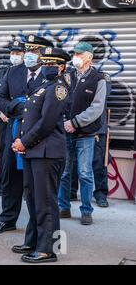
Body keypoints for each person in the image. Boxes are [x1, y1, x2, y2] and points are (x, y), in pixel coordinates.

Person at [0, 34, 52, 235]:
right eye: (28, 51)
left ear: (43, 53)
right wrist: (16, 106)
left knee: (35, 184)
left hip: (38, 138)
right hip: (12, 133)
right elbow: (0, 98)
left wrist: (24, 106)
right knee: (10, 178)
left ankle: (37, 228)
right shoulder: (13, 72)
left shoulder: (51, 74)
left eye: (34, 51)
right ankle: (7, 219)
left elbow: (51, 108)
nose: (29, 55)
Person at [11, 47, 71, 263]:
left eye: (50, 64)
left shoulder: (59, 88)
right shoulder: (45, 86)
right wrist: (21, 141)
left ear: (61, 66)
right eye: (44, 63)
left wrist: (23, 142)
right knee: (33, 197)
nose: (46, 67)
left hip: (47, 152)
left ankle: (49, 249)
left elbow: (46, 122)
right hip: (33, 150)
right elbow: (29, 116)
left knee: (46, 201)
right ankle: (34, 240)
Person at [58, 42, 107, 225]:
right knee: (64, 173)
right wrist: (64, 122)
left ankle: (86, 211)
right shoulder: (68, 76)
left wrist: (75, 122)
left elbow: (96, 108)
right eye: (75, 53)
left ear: (89, 57)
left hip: (85, 134)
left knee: (85, 173)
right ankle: (63, 207)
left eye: (79, 54)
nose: (75, 57)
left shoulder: (99, 78)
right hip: (66, 133)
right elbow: (60, 99)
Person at [69, 70, 112, 207]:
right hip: (74, 126)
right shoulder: (71, 76)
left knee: (98, 162)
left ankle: (100, 194)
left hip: (96, 128)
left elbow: (102, 98)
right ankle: (71, 191)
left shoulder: (101, 78)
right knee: (73, 163)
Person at [0, 40, 25, 197]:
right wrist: (0, 112)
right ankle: (2, 185)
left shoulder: (28, 73)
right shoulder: (1, 73)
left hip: (21, 121)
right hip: (4, 121)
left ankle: (24, 188)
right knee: (4, 154)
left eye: (18, 53)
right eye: (12, 53)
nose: (15, 56)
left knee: (21, 153)